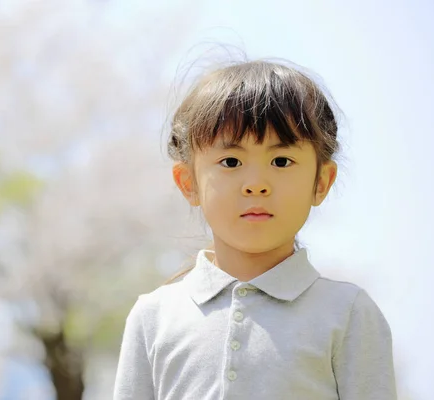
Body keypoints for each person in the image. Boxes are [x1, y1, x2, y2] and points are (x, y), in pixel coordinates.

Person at [112, 59, 397, 399]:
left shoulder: (347, 313)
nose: (257, 185)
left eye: (281, 161)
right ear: (188, 183)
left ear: (321, 182)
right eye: (231, 162)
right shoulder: (154, 316)